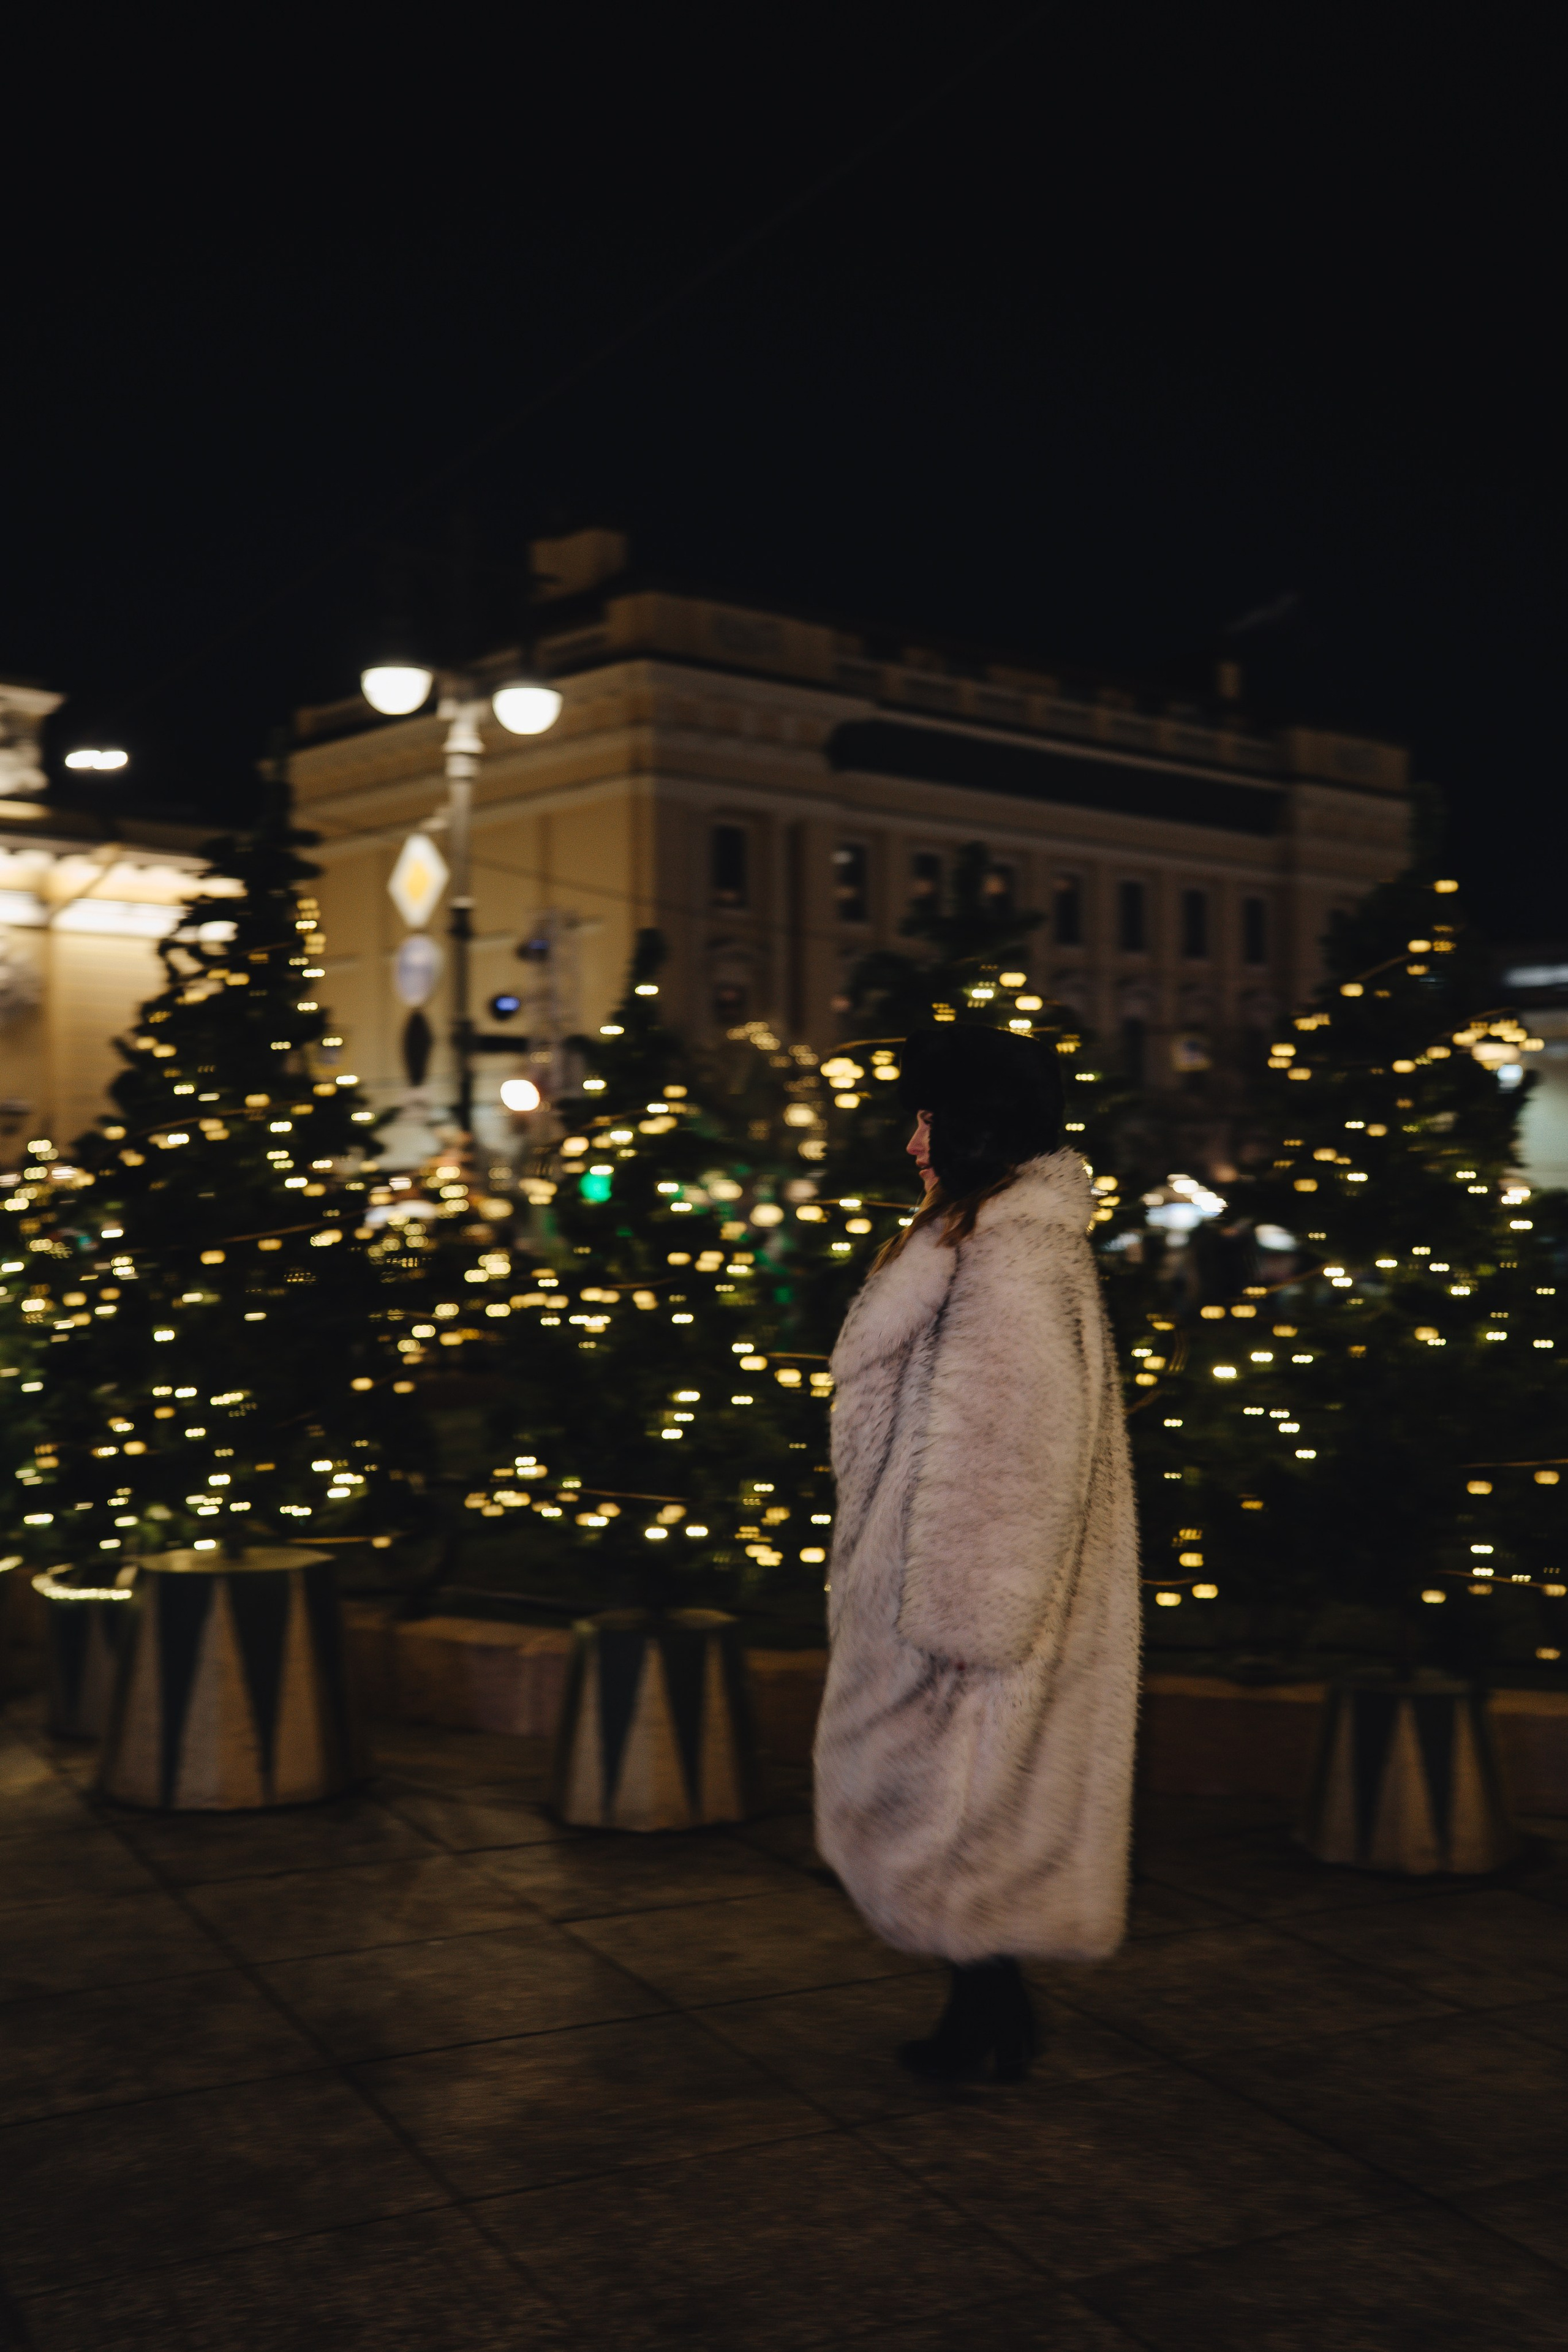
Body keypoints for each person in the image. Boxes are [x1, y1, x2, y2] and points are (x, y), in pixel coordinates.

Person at [813, 1023, 1140, 2084]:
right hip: (942, 1581)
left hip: (963, 1599)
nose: (912, 1140)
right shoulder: (987, 1233)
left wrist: (963, 1620)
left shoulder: (1007, 1251)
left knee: (959, 1804)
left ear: (973, 1126)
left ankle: (987, 2017)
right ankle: (989, 2015)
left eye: (928, 1118)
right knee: (966, 1810)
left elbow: (1008, 1446)